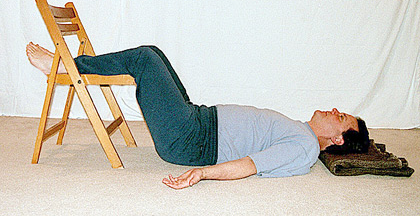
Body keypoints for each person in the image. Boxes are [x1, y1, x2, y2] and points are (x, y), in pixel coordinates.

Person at [26, 42, 370, 190]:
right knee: (154, 53)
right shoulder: (301, 132)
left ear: (338, 139)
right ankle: (70, 66)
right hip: (197, 122)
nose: (335, 111)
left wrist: (202, 175)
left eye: (341, 118)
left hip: (191, 140)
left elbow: (251, 164)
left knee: (145, 59)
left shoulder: (303, 147)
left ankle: (64, 66)